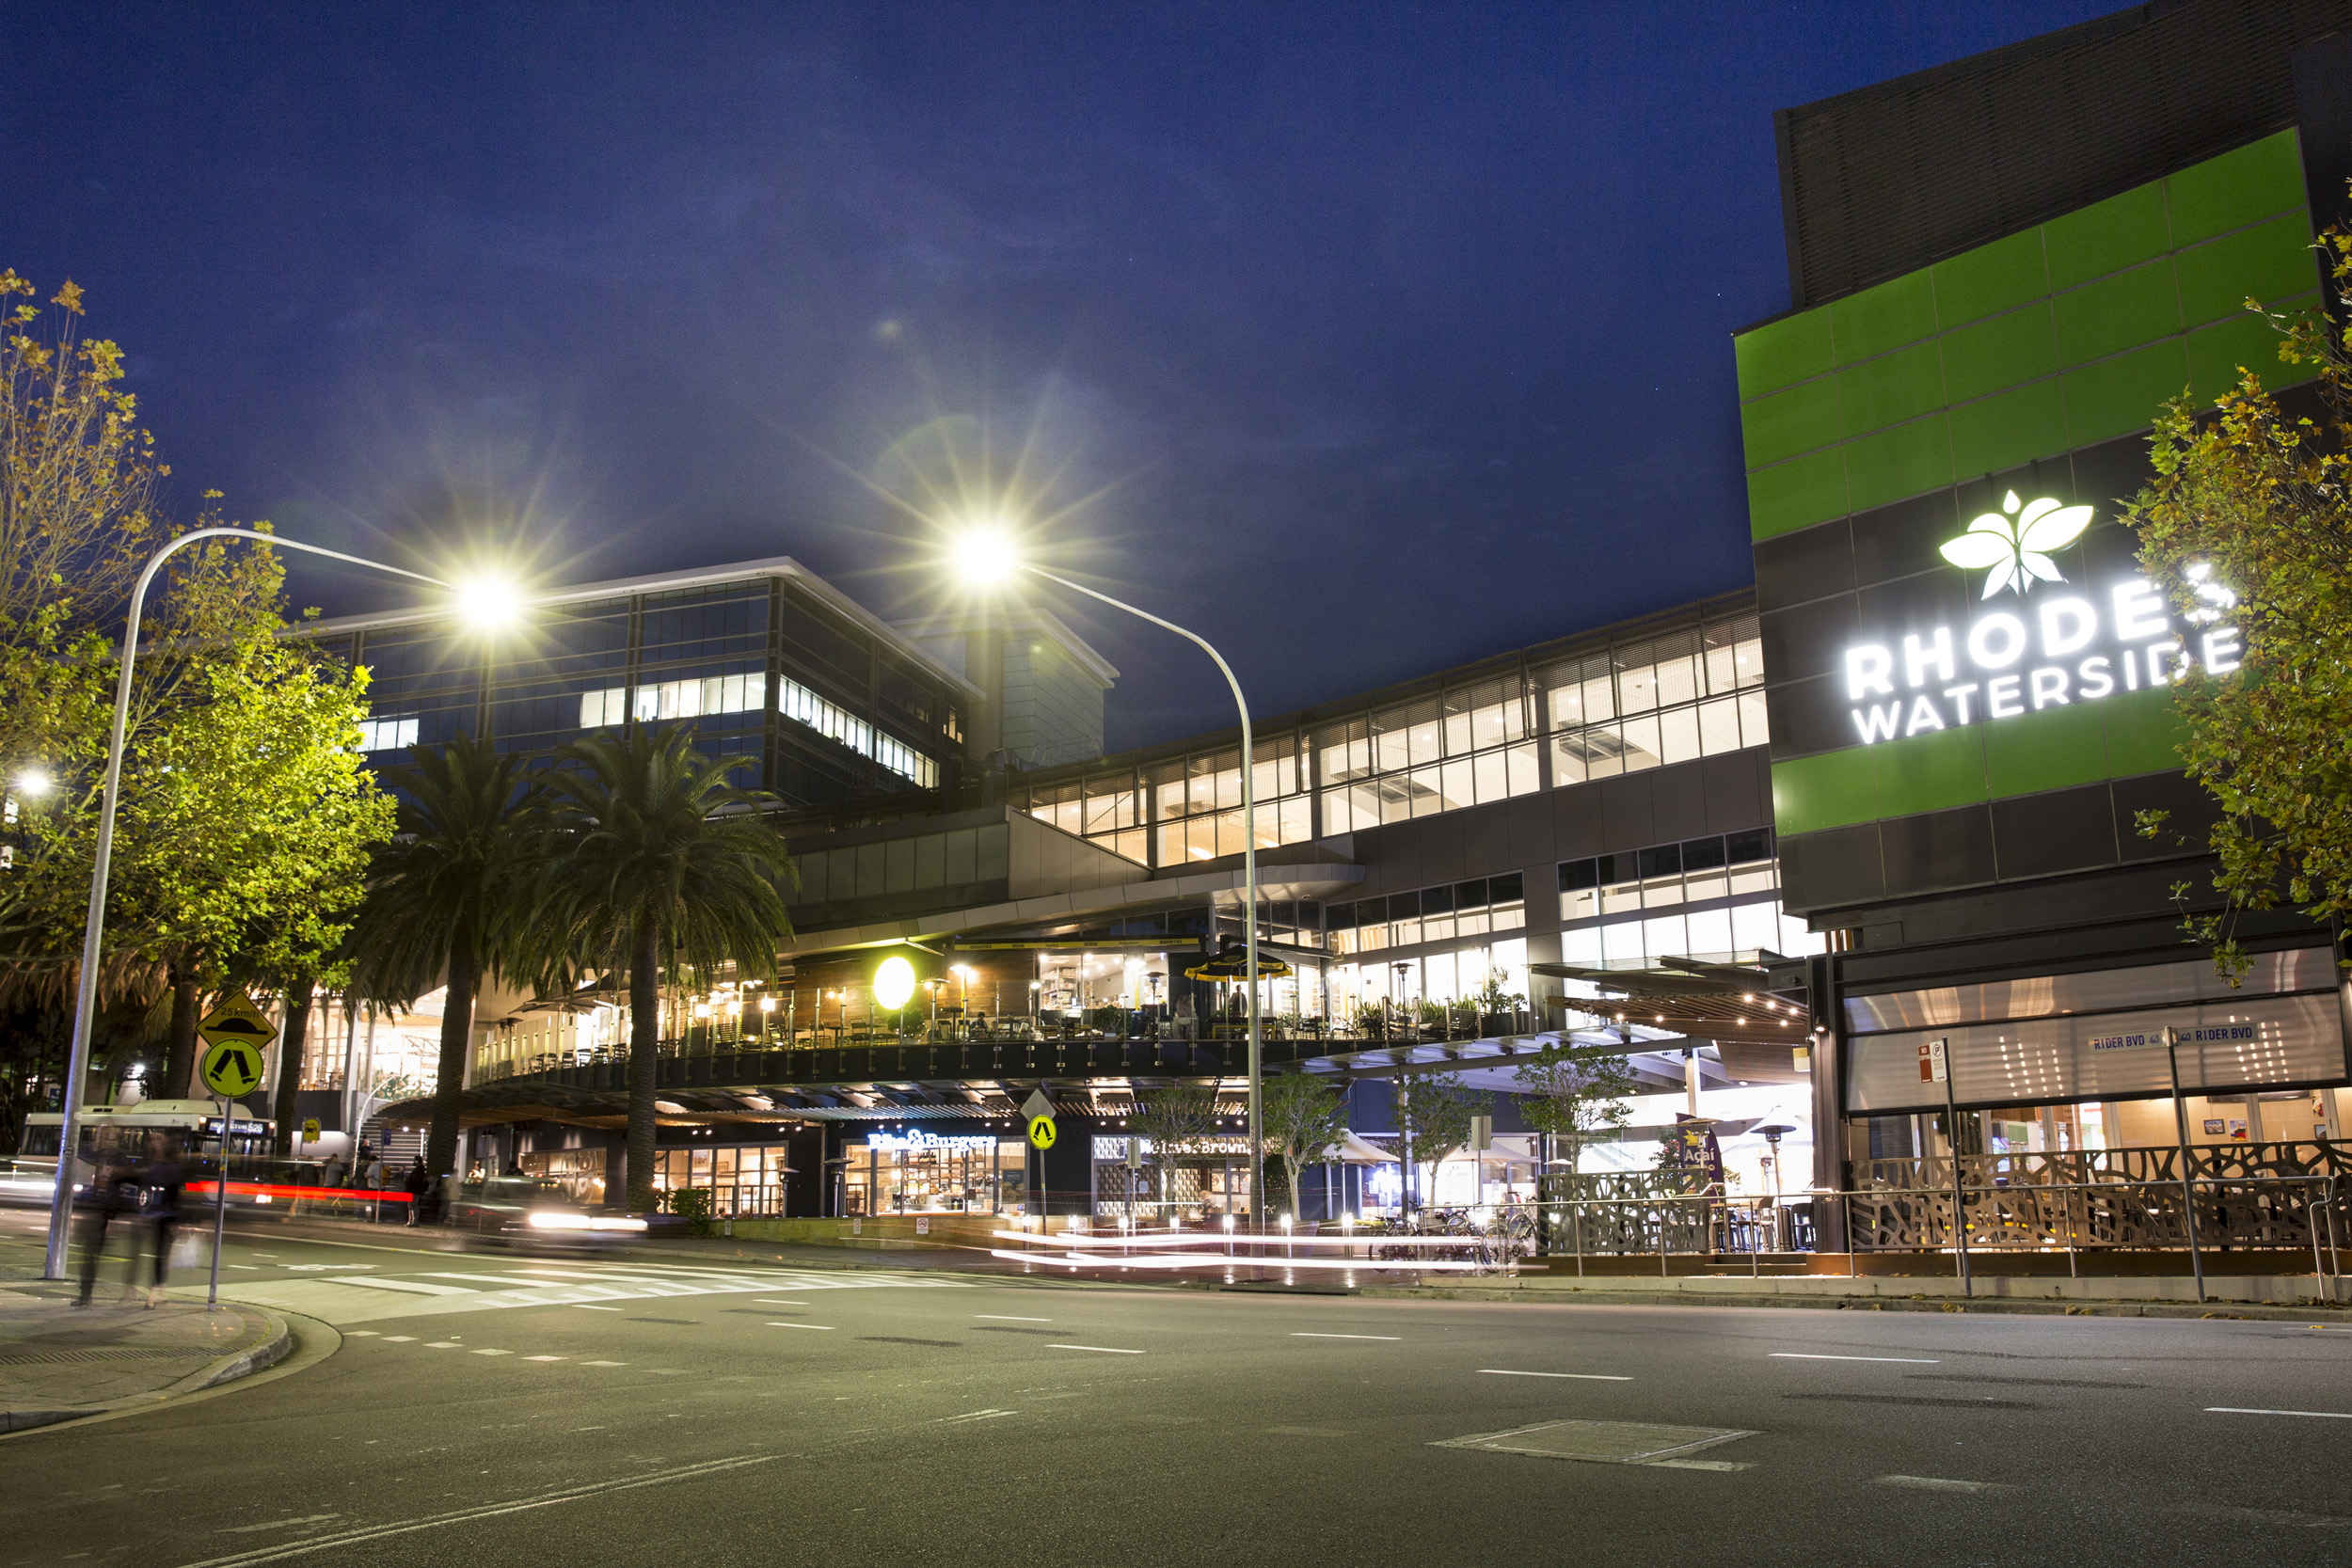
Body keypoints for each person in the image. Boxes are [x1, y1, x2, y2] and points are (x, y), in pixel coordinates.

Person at [73, 1143, 141, 1307]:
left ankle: (126, 1291)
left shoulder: (120, 1161)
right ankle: (85, 1293)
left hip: (107, 1213)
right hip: (94, 1212)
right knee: (89, 1255)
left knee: (96, 1254)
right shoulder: (93, 1159)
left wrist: (115, 1216)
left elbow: (127, 1184)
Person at [138, 1133, 188, 1308]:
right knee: (161, 1255)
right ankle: (161, 1290)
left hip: (165, 1215)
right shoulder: (163, 1166)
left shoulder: (168, 1167)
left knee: (160, 1255)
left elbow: (170, 1186)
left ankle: (153, 1294)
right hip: (160, 1214)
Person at [360, 1147, 387, 1223]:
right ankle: (380, 1218)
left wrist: (365, 1174)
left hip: (373, 1187)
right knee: (380, 1204)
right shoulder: (382, 1166)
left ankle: (373, 1218)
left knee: (372, 1204)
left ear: (371, 1161)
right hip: (382, 1187)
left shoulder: (372, 1166)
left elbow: (368, 1176)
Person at [402, 1155, 429, 1226]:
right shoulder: (420, 1170)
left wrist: (408, 1183)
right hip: (415, 1191)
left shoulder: (418, 1170)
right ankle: (412, 1221)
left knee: (413, 1206)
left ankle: (414, 1221)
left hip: (414, 1191)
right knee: (412, 1206)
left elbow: (414, 1180)